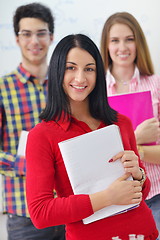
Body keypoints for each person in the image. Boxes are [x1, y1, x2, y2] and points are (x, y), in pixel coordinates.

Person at [26, 33, 158, 240]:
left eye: (89, 69)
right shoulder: (41, 136)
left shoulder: (121, 123)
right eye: (71, 68)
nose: (80, 78)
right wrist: (107, 198)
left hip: (141, 231)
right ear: (57, 71)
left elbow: (142, 191)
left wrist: (139, 174)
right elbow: (41, 213)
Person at [0, 3, 65, 240]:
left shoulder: (67, 86)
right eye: (26, 34)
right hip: (25, 215)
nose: (34, 41)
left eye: (41, 33)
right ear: (17, 39)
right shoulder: (2, 89)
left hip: (70, 208)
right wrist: (24, 164)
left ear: (51, 37)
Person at [100, 11, 160, 233]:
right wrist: (137, 138)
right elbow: (98, 157)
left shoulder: (156, 85)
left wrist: (138, 150)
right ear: (106, 45)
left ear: (138, 43)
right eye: (115, 40)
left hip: (155, 197)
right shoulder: (95, 92)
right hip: (112, 202)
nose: (122, 47)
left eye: (129, 39)